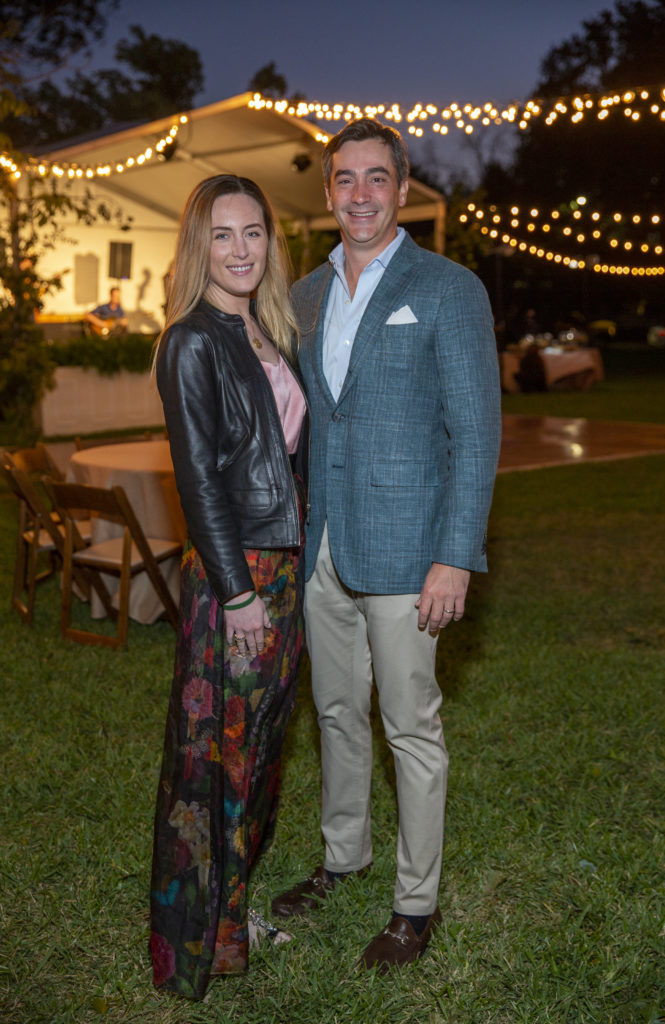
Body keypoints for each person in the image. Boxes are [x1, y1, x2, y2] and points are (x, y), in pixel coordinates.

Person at [270, 119, 501, 971]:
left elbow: (474, 435)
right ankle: (343, 857)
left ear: (402, 189)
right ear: (327, 191)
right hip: (321, 542)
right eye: (343, 179)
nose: (358, 194)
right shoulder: (299, 296)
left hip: (409, 552)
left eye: (375, 178)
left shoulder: (447, 288)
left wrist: (455, 554)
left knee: (409, 724)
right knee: (333, 713)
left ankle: (414, 904)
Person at [149, 174, 309, 1000]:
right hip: (233, 579)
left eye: (253, 233)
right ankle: (200, 938)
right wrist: (240, 593)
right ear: (198, 246)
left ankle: (235, 910)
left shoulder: (270, 333)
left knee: (262, 755)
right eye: (223, 234)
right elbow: (200, 482)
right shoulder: (191, 341)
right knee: (216, 766)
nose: (241, 249)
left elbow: (285, 460)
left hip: (281, 571)